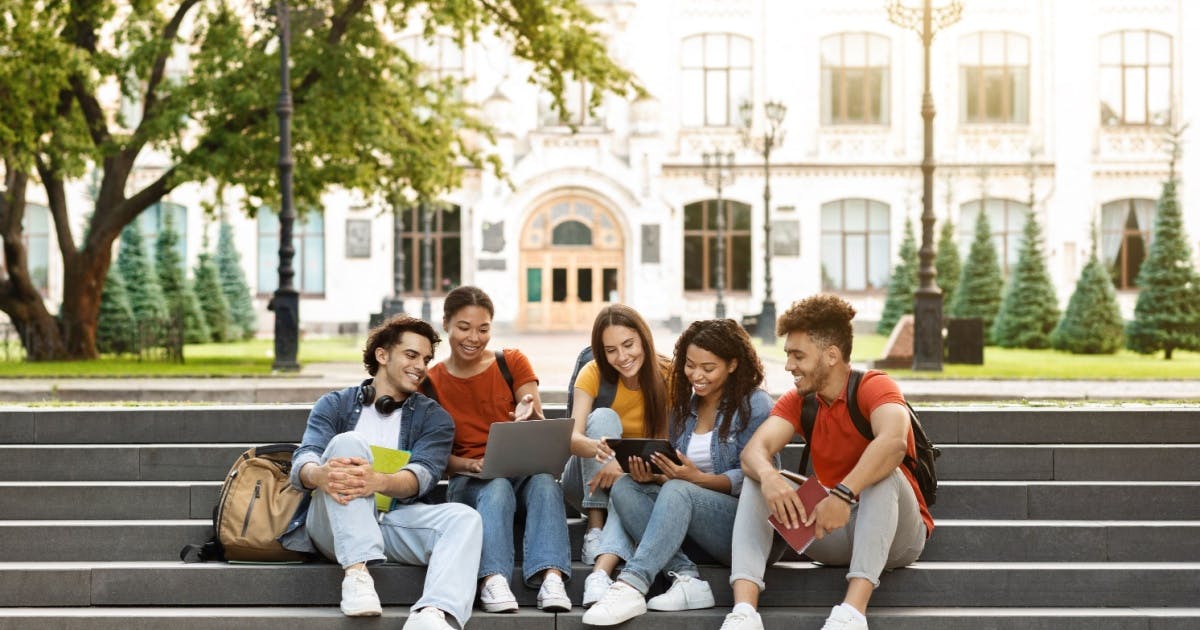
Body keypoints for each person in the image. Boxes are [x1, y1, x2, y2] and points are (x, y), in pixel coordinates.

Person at [718, 294, 934, 630]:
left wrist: (843, 494)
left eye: (798, 355)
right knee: (757, 477)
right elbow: (753, 452)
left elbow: (892, 442)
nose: (789, 365)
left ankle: (851, 614)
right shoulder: (801, 399)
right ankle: (744, 613)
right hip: (831, 530)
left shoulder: (874, 386)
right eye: (788, 354)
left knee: (884, 473)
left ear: (831, 355)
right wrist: (770, 477)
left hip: (896, 537)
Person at [279, 315, 483, 630]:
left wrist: (378, 482)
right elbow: (304, 458)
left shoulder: (434, 418)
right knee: (349, 443)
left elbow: (423, 477)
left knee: (465, 518)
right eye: (411, 355)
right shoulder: (335, 405)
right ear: (383, 355)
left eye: (426, 359)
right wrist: (317, 475)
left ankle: (433, 613)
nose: (421, 366)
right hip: (332, 526)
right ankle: (358, 574)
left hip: (393, 521)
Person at [582, 319, 774, 626]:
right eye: (689, 365)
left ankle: (632, 583)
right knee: (625, 488)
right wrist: (655, 474)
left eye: (708, 368)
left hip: (741, 530)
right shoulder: (685, 405)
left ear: (733, 364)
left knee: (678, 489)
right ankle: (687, 578)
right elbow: (676, 468)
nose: (696, 376)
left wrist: (698, 480)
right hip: (687, 525)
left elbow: (757, 478)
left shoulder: (755, 404)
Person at [425, 286, 572, 615]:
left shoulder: (511, 361)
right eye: (464, 327)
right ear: (446, 323)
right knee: (496, 485)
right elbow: (433, 457)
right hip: (470, 483)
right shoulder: (432, 383)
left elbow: (538, 422)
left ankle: (551, 576)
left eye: (483, 329)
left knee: (545, 482)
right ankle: (492, 579)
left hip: (520, 476)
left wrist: (528, 412)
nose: (474, 338)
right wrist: (469, 463)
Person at [561, 304, 670, 608]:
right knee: (603, 417)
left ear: (643, 339)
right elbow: (572, 437)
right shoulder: (593, 371)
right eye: (610, 350)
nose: (622, 357)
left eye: (628, 345)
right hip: (583, 480)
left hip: (636, 479)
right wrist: (604, 453)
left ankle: (599, 577)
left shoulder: (668, 374)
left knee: (627, 489)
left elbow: (667, 444)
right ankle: (595, 528)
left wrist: (624, 471)